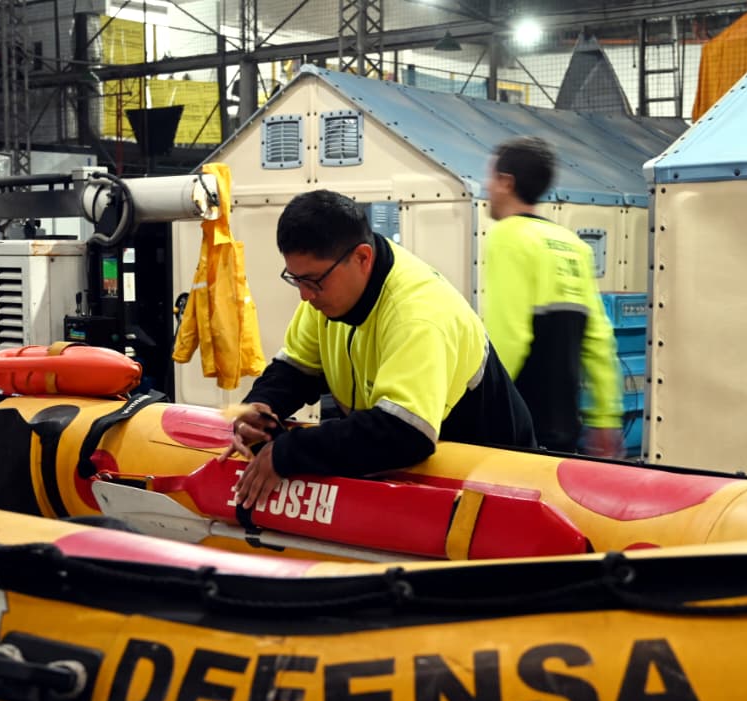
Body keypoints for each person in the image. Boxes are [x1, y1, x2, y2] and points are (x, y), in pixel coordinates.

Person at [222, 189, 535, 509]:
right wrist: (259, 409)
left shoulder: (418, 313)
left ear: (362, 257)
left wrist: (288, 452)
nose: (304, 296)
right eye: (296, 279)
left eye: (313, 281)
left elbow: (404, 433)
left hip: (502, 480)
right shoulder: (325, 298)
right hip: (433, 475)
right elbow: (294, 371)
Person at [482, 136, 624, 457]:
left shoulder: (508, 237)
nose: (486, 186)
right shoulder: (572, 244)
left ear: (506, 182)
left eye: (490, 177)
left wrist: (478, 407)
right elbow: (599, 340)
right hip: (564, 428)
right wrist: (605, 418)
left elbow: (509, 336)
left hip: (516, 427)